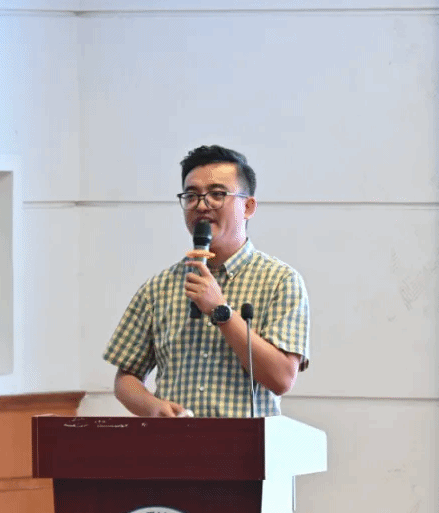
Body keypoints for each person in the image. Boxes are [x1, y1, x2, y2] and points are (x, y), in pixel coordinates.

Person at [103, 145, 310, 417]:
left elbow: (282, 379)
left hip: (246, 442)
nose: (202, 205)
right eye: (191, 196)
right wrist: (154, 408)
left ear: (248, 207)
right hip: (175, 442)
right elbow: (126, 378)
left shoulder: (280, 281)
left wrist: (221, 311)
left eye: (217, 194)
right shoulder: (159, 288)